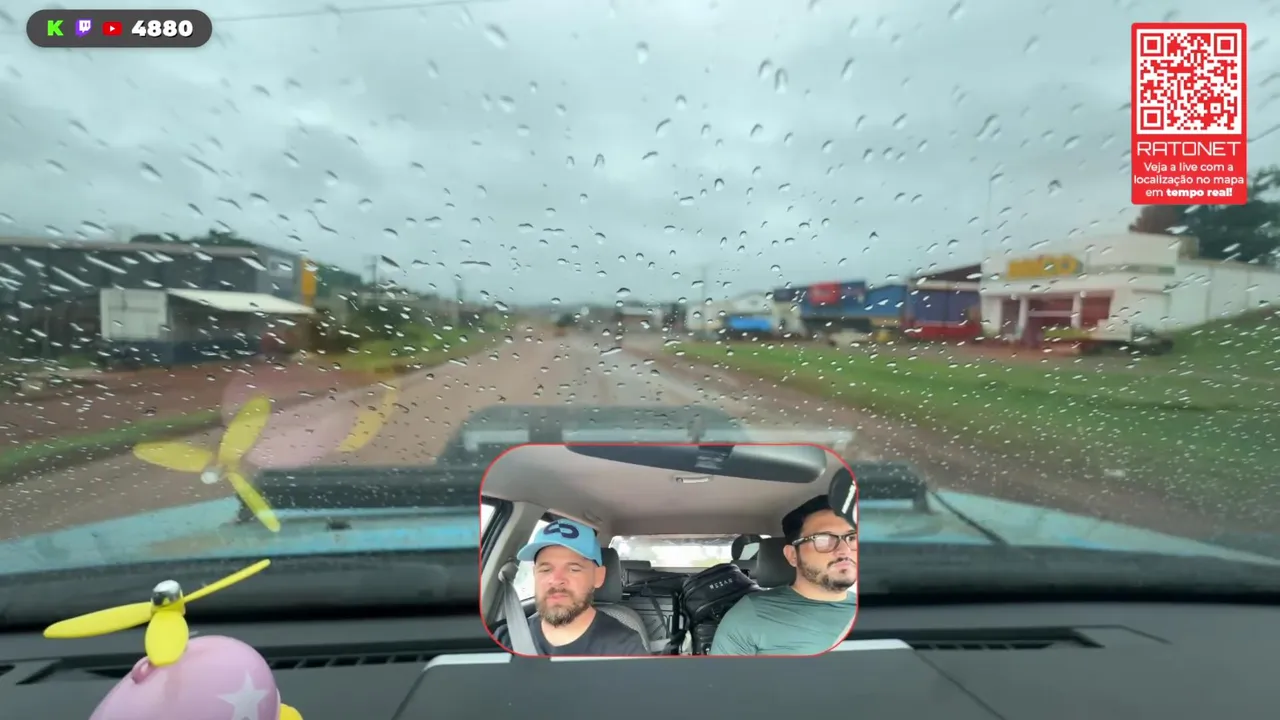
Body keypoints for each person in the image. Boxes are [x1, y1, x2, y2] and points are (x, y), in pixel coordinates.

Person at [709, 495, 858, 655]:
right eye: (823, 539)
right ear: (793, 555)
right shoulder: (749, 615)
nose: (845, 550)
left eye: (852, 538)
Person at [493, 519, 649, 656]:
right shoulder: (505, 638)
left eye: (573, 569)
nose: (556, 580)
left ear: (598, 577)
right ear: (535, 574)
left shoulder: (624, 648)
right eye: (545, 570)